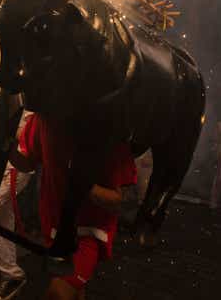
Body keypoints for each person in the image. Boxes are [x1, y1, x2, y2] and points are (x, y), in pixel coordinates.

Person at [9, 114, 137, 300]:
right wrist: (7, 145)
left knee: (57, 294)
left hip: (87, 234)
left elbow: (119, 200)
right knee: (75, 291)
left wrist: (84, 185)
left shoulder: (110, 127)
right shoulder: (44, 117)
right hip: (54, 227)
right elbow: (28, 163)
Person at [0, 111, 34, 300]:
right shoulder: (13, 97)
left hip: (14, 169)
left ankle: (12, 274)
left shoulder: (29, 101)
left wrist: (8, 131)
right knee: (4, 221)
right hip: (5, 166)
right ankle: (9, 273)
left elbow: (29, 137)